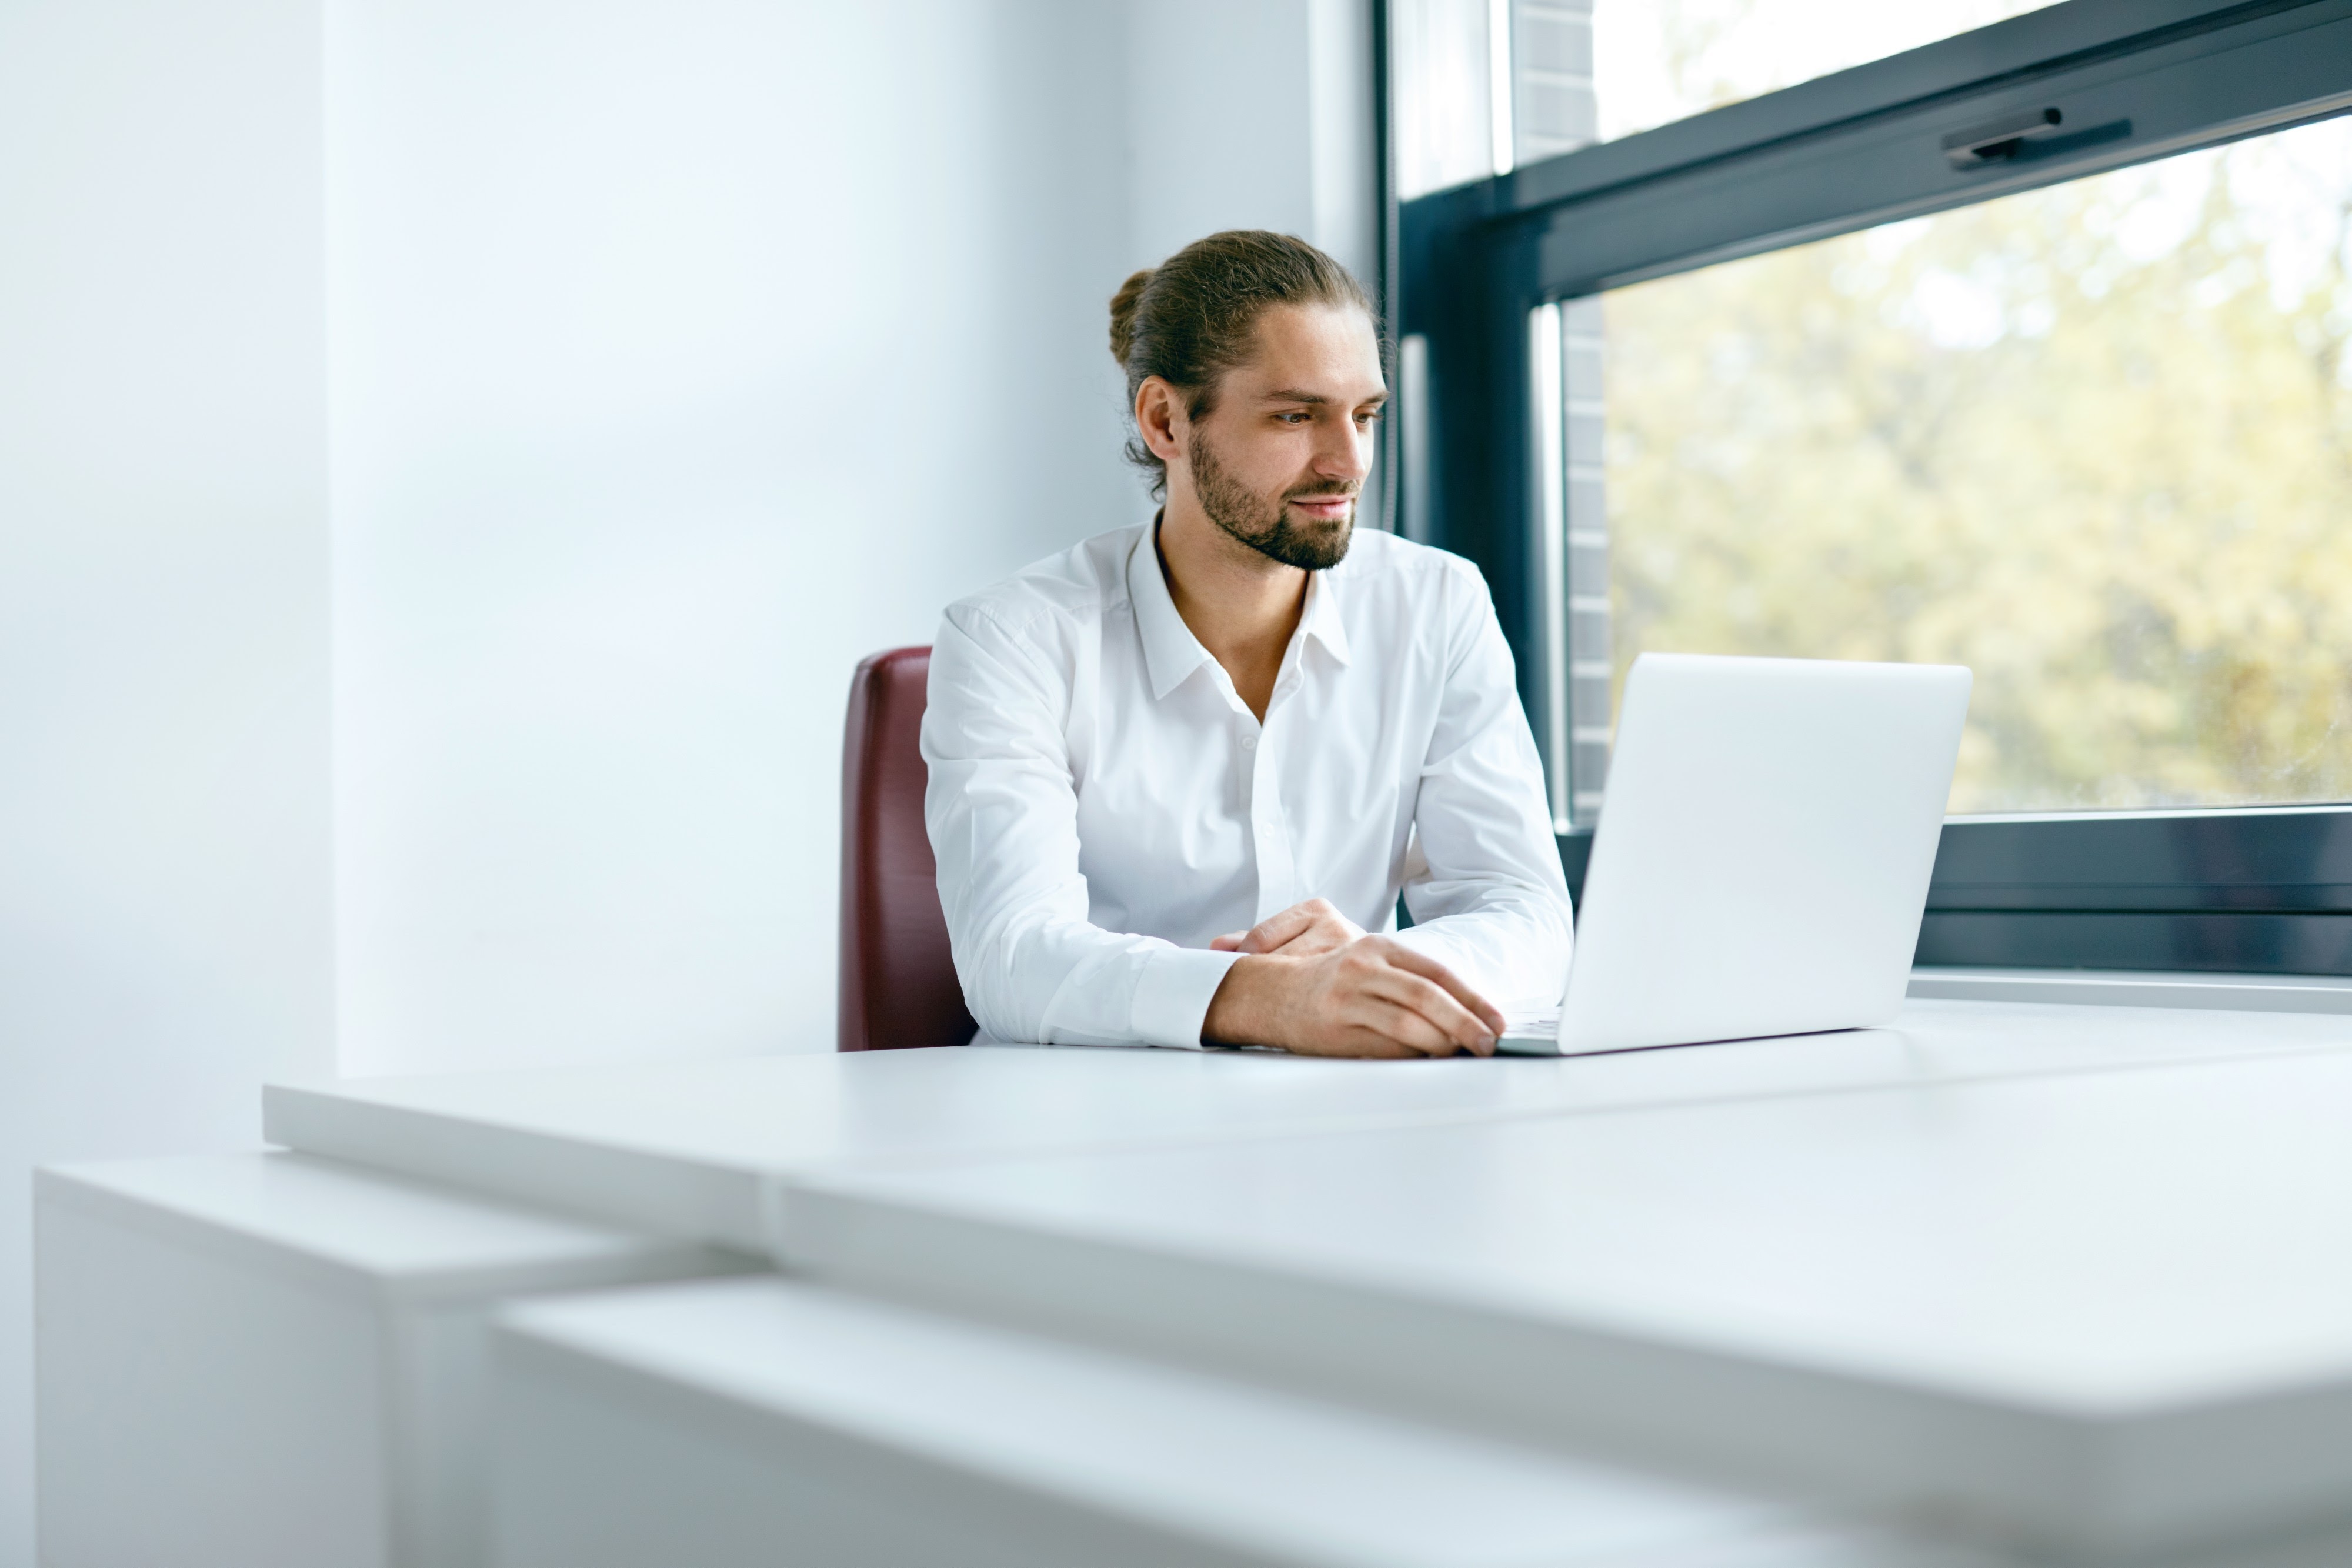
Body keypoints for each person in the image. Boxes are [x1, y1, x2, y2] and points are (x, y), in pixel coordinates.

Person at [922, 230, 1572, 1058]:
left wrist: (1380, 971)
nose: (1348, 462)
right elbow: (1011, 954)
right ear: (1166, 421)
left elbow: (1528, 913)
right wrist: (1265, 998)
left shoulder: (1437, 605)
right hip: (1086, 1122)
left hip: (1352, 1106)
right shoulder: (1012, 637)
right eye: (1296, 416)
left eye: (1365, 415)